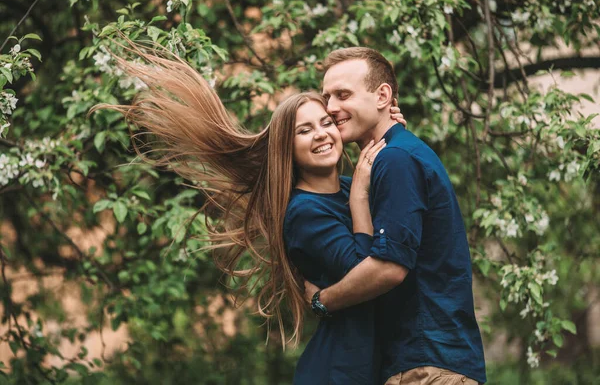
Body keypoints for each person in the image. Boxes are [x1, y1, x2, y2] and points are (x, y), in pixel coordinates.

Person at [89, 42, 406, 384]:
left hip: (377, 363)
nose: (321, 135)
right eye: (304, 130)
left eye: (326, 122)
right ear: (288, 147)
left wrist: (384, 126)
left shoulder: (348, 186)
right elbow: (365, 272)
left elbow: (393, 230)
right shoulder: (304, 211)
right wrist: (360, 196)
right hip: (340, 371)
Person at [303, 47, 487, 384]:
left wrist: (321, 300)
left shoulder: (396, 159)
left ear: (383, 95)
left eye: (343, 94)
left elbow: (388, 269)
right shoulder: (392, 157)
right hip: (422, 362)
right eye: (327, 96)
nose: (330, 107)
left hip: (427, 368)